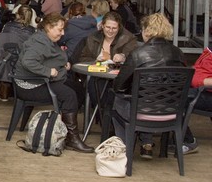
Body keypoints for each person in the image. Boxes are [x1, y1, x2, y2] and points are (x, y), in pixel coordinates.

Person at [15, 13, 94, 153]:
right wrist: (48, 71)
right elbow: (28, 62)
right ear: (48, 27)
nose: (63, 33)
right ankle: (72, 139)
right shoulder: (39, 43)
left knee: (78, 89)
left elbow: (50, 58)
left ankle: (62, 130)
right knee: (69, 95)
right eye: (60, 29)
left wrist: (63, 64)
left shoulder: (47, 39)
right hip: (30, 86)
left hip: (42, 81)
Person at [112, 13, 186, 158]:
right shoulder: (179, 54)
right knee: (148, 99)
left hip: (141, 111)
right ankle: (147, 142)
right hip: (171, 111)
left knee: (117, 100)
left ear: (146, 30)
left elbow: (119, 87)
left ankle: (123, 151)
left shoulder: (138, 54)